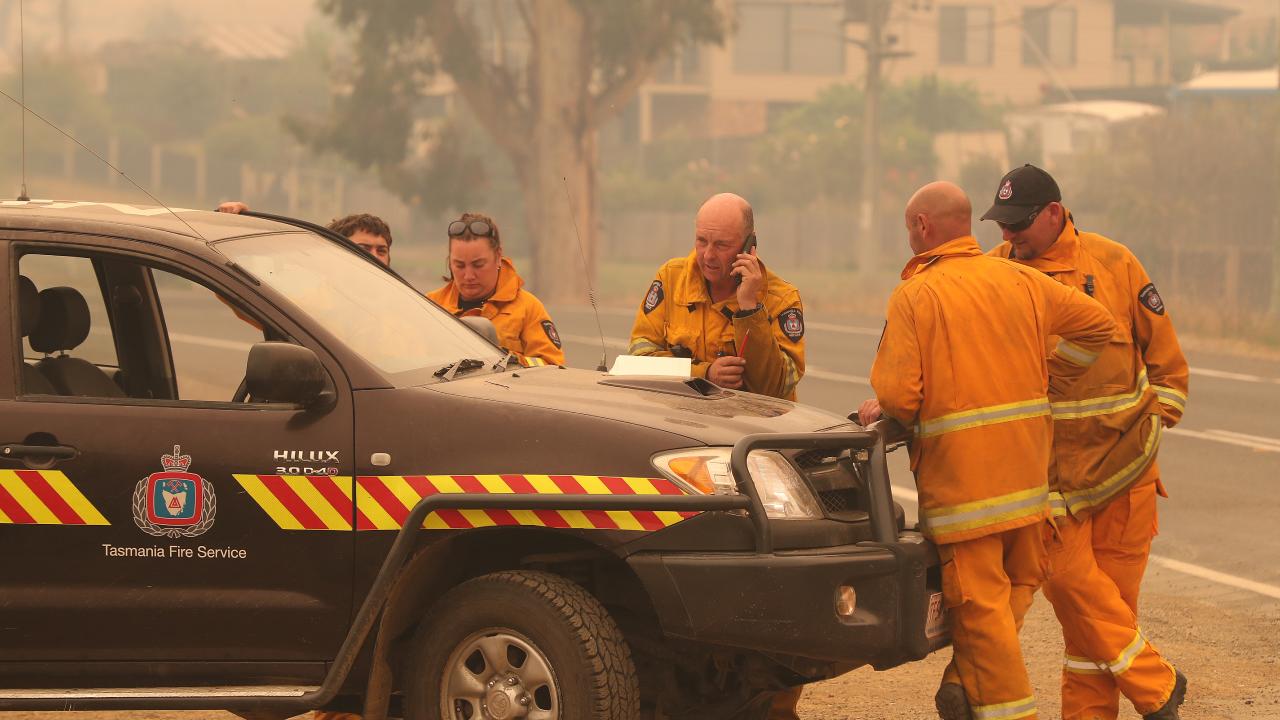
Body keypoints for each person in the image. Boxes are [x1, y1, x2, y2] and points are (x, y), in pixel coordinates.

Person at [858, 181, 1117, 720]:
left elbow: (900, 397)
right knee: (1018, 585)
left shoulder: (916, 294)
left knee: (980, 614)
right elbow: (1099, 326)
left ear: (924, 229)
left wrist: (880, 410)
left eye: (909, 228)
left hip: (966, 494)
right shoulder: (1020, 278)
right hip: (1027, 480)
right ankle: (963, 684)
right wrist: (1054, 373)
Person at [981, 165, 1190, 720]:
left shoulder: (1115, 263)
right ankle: (1158, 685)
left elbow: (1167, 361)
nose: (1008, 237)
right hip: (1048, 483)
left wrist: (1157, 416)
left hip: (1126, 475)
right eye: (1001, 225)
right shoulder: (992, 273)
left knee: (1097, 627)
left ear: (1054, 213)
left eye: (1018, 224)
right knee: (1073, 589)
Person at [628, 192, 805, 401]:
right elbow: (638, 361)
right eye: (702, 241)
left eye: (722, 245)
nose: (708, 255)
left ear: (750, 245)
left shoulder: (782, 299)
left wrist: (750, 307)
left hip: (750, 429)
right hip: (682, 424)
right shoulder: (670, 278)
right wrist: (704, 374)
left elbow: (774, 388)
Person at [426, 212, 565, 367]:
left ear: (498, 256)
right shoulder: (429, 306)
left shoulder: (528, 309)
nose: (468, 275)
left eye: (478, 265)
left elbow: (553, 366)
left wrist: (506, 359)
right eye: (459, 265)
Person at [215, 202, 393, 266]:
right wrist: (233, 224)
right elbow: (245, 302)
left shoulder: (406, 302)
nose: (375, 257)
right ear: (338, 252)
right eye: (364, 248)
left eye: (381, 251)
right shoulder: (312, 301)